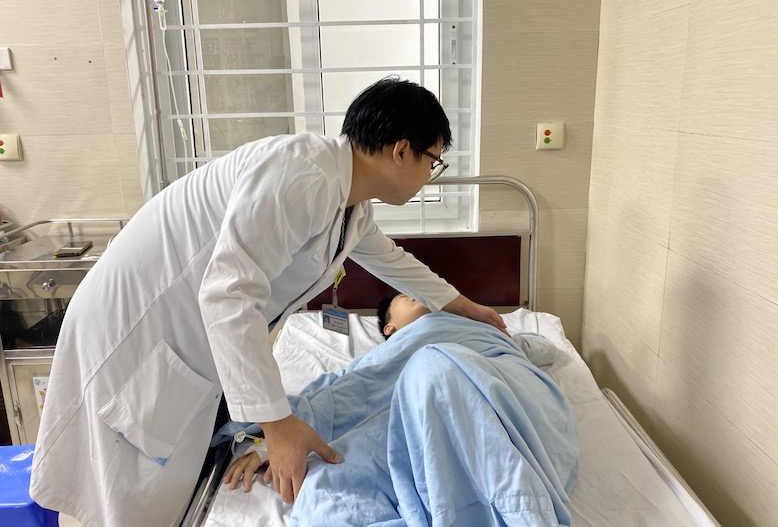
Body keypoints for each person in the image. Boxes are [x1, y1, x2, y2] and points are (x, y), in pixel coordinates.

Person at [30, 77, 507, 527]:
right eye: (433, 160)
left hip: (184, 341)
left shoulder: (348, 202)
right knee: (126, 489)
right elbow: (227, 295)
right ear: (401, 150)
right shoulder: (302, 173)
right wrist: (278, 427)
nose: (431, 173)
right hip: (138, 332)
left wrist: (463, 306)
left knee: (159, 475)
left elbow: (391, 261)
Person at [222, 298, 579, 527]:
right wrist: (272, 436)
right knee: (330, 487)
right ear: (390, 329)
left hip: (503, 393)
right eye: (402, 296)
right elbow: (342, 394)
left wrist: (500, 335)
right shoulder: (380, 356)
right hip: (409, 406)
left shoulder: (475, 327)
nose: (415, 293)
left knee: (434, 367)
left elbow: (540, 349)